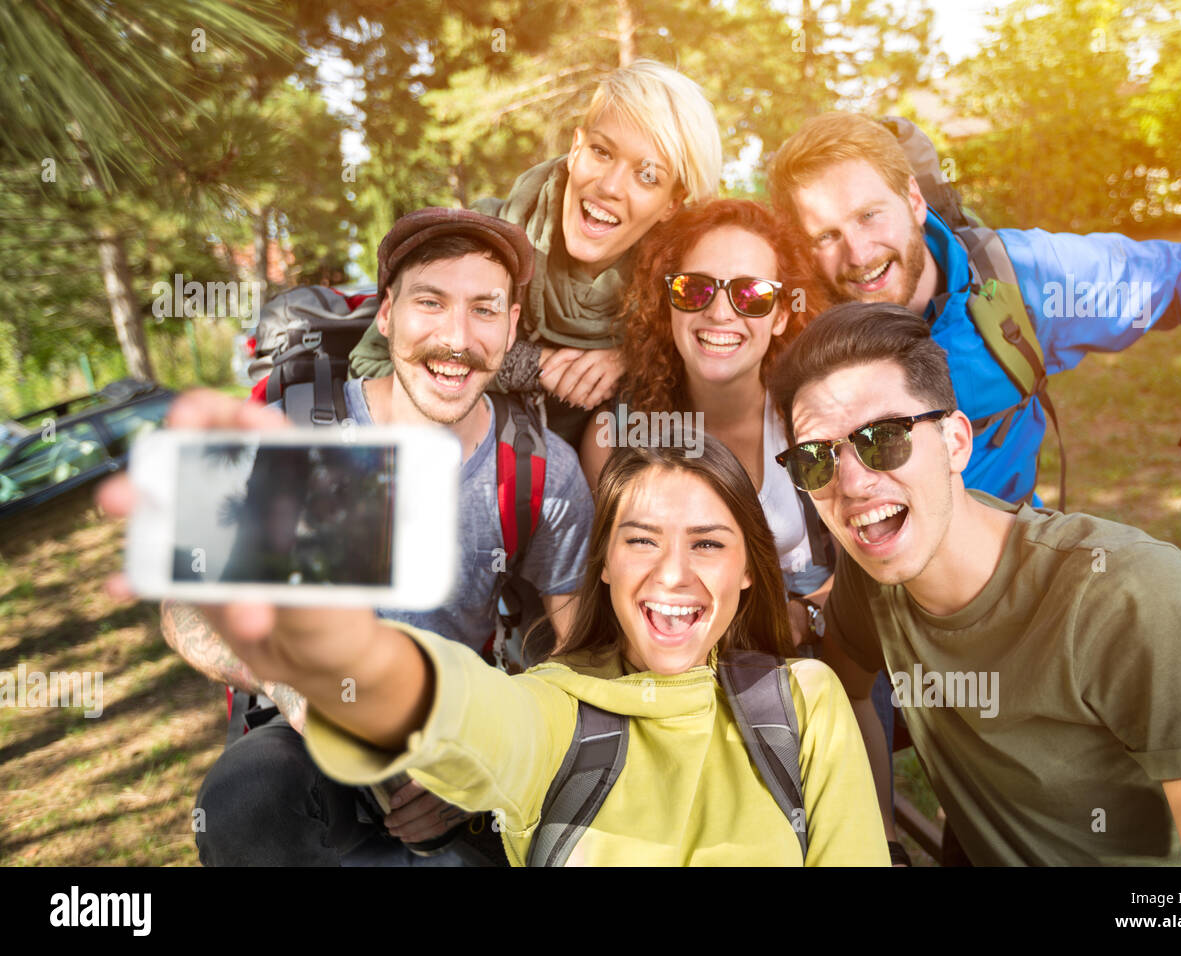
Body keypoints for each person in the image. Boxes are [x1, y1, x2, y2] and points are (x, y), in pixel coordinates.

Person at [103, 427, 891, 866]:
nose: (673, 575)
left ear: (752, 571)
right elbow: (464, 708)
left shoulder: (804, 702)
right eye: (642, 541)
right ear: (607, 566)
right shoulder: (557, 705)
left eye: (709, 545)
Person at [769, 303, 1181, 865]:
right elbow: (851, 694)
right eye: (816, 459)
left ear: (956, 442)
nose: (851, 482)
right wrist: (884, 843)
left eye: (883, 439)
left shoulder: (1127, 599)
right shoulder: (873, 570)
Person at [159, 207, 595, 866]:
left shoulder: (540, 470)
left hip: (448, 745)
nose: (455, 338)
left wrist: (488, 772)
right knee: (243, 802)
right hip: (302, 736)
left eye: (483, 309)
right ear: (386, 313)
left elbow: (578, 658)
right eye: (430, 302)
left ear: (510, 328)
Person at [768, 112, 1181, 506]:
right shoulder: (789, 322)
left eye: (868, 215)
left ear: (914, 200)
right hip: (859, 595)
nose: (857, 254)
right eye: (826, 235)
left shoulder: (1020, 276)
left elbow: (1176, 272)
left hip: (1009, 574)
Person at [349, 59, 723, 445]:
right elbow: (371, 368)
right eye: (601, 151)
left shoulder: (687, 283)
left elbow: (726, 381)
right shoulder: (480, 237)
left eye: (647, 176)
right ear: (576, 148)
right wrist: (527, 366)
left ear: (671, 204)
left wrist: (633, 359)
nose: (610, 186)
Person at [579, 199, 833, 641]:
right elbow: (602, 591)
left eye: (752, 295)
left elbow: (868, 565)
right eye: (694, 289)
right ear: (670, 302)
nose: (719, 312)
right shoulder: (615, 436)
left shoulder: (815, 421)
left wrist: (804, 615)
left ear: (780, 316)